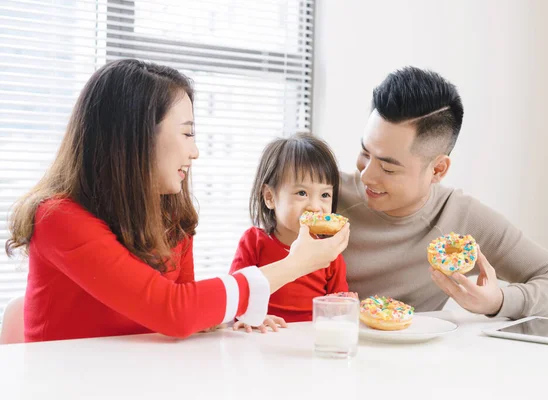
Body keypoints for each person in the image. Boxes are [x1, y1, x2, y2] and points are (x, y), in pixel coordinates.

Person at [5, 59, 349, 342]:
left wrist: (231, 316)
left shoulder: (170, 214)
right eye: (186, 133)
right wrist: (295, 264)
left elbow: (188, 309)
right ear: (135, 138)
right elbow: (175, 311)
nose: (195, 151)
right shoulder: (57, 218)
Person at [338, 66, 548, 319]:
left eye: (388, 168)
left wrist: (498, 301)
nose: (366, 175)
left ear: (437, 169)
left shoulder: (460, 219)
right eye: (365, 153)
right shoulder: (321, 194)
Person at [229, 134, 348, 332]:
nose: (315, 206)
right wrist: (252, 316)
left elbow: (339, 308)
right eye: (302, 193)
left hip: (308, 340)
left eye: (325, 195)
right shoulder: (254, 241)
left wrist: (345, 305)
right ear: (269, 197)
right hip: (263, 335)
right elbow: (235, 294)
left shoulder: (328, 253)